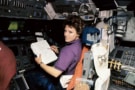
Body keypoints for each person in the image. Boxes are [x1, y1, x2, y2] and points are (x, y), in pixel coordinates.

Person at [26, 15, 85, 90]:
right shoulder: (78, 44)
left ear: (78, 33)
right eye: (65, 30)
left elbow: (55, 73)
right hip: (68, 79)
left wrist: (40, 63)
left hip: (59, 86)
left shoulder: (68, 50)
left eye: (70, 32)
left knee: (30, 75)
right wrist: (59, 51)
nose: (65, 34)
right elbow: (71, 56)